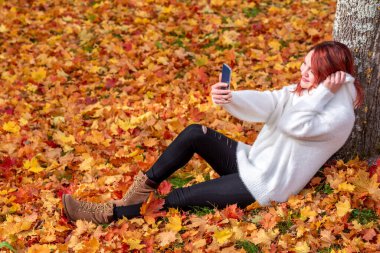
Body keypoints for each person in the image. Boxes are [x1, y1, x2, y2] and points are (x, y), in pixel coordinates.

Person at [62, 41, 363, 225]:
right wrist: (230, 98)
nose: (302, 72)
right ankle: (137, 193)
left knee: (178, 198)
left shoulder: (337, 116)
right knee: (196, 132)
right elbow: (272, 101)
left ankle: (105, 213)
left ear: (330, 80)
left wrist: (323, 95)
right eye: (304, 63)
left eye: (312, 70)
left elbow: (294, 125)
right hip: (250, 161)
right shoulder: (304, 92)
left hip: (264, 187)